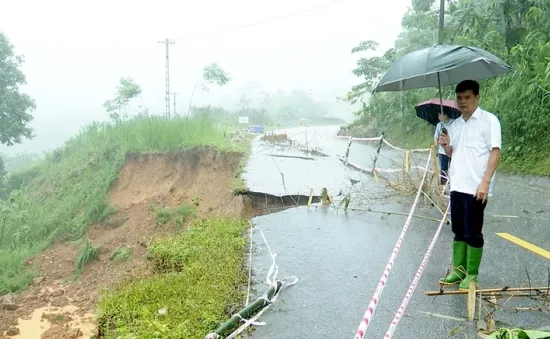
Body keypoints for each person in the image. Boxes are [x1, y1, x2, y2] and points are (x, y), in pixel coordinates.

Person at [437, 79, 501, 290]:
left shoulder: (488, 121)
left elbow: (495, 152)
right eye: (459, 98)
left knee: (473, 231)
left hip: (476, 187)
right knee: (458, 230)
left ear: (477, 97)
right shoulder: (454, 125)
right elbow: (454, 154)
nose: (463, 102)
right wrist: (446, 146)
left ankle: (471, 276)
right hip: (457, 185)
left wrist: (485, 182)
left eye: (467, 97)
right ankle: (458, 270)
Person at [434, 110, 454, 185]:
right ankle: (443, 187)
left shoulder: (454, 123)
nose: (438, 117)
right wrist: (437, 142)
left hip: (453, 150)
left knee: (453, 168)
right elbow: (436, 137)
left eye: (440, 115)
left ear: (445, 115)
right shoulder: (439, 125)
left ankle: (453, 185)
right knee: (443, 169)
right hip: (442, 151)